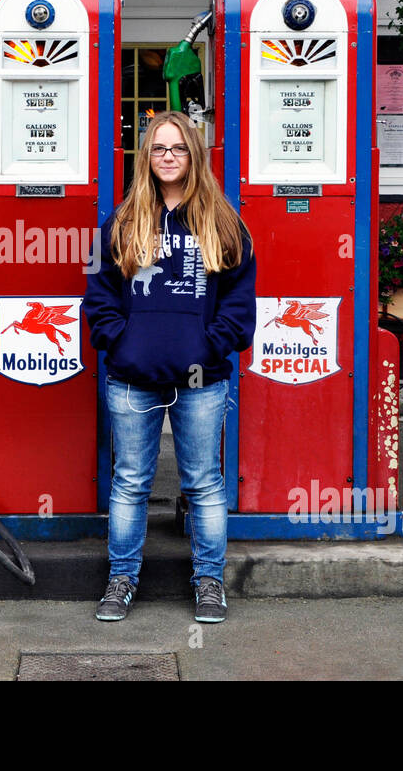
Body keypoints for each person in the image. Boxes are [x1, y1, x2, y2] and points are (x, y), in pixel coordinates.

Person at [83, 110, 256, 623]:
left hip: (201, 380)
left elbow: (240, 304)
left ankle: (208, 581)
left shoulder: (224, 223)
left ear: (194, 156)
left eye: (178, 148)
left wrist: (208, 347)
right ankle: (121, 579)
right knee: (131, 481)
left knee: (203, 483)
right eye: (158, 148)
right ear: (146, 157)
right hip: (131, 377)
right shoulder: (119, 221)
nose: (167, 157)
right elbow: (98, 296)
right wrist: (122, 345)